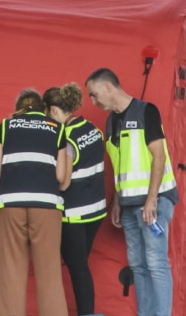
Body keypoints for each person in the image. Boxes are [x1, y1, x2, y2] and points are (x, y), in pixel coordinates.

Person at [85, 67, 177, 316]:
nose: (93, 101)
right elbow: (119, 165)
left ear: (108, 86)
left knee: (156, 262)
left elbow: (158, 155)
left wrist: (151, 200)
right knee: (138, 265)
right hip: (128, 204)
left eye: (94, 94)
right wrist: (116, 201)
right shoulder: (111, 121)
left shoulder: (146, 111)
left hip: (153, 201)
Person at [0, 88, 71, 316]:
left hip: (11, 203)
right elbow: (61, 177)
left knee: (11, 272)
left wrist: (13, 180)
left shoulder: (5, 126)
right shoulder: (58, 129)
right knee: (49, 274)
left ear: (19, 108)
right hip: (46, 205)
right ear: (44, 109)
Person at [43, 83, 106, 316]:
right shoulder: (91, 128)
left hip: (75, 215)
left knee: (78, 268)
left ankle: (87, 313)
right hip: (97, 211)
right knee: (80, 265)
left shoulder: (66, 137)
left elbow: (64, 182)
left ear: (54, 111)